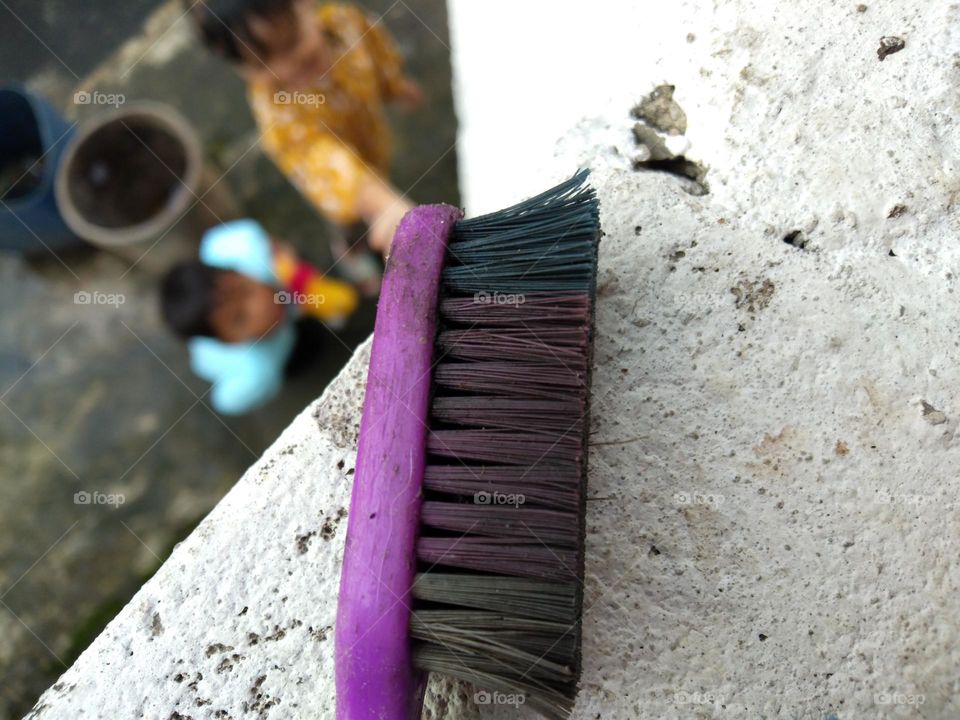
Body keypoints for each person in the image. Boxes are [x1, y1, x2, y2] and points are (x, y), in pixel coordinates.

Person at [187, 0, 425, 292]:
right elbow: (319, 158)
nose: (286, 71)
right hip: (336, 187)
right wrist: (383, 204)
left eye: (293, 46)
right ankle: (351, 252)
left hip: (371, 141)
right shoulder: (278, 112)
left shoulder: (347, 24)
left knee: (379, 174)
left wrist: (395, 86)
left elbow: (378, 53)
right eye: (261, 64)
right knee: (349, 224)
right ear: (236, 66)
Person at [161, 218, 358, 415]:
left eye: (245, 290)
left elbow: (239, 239)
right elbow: (224, 402)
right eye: (241, 318)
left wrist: (287, 259)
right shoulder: (256, 374)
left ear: (237, 269)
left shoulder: (244, 245)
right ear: (229, 343)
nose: (263, 306)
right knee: (308, 350)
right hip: (277, 355)